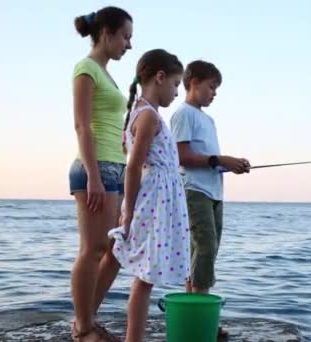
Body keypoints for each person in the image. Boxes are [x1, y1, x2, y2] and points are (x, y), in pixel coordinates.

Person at [107, 49, 190, 342]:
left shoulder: (145, 114)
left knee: (146, 278)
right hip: (153, 203)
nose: (177, 92)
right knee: (144, 278)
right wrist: (128, 209)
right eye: (176, 84)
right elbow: (132, 167)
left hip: (159, 200)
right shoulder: (148, 117)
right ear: (160, 78)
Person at [170, 60, 250, 339]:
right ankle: (201, 316)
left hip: (215, 192)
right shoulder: (183, 114)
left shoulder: (209, 119)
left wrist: (231, 164)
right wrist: (219, 159)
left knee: (207, 252)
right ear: (193, 82)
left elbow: (208, 159)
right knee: (204, 249)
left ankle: (194, 313)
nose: (214, 93)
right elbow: (182, 157)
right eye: (211, 87)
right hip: (194, 191)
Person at [69, 6, 133, 342]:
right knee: (93, 249)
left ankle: (85, 319)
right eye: (125, 36)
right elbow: (82, 125)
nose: (129, 44)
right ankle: (82, 327)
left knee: (116, 249)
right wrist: (93, 175)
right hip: (95, 169)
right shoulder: (86, 68)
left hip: (115, 169)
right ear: (106, 32)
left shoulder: (107, 74)